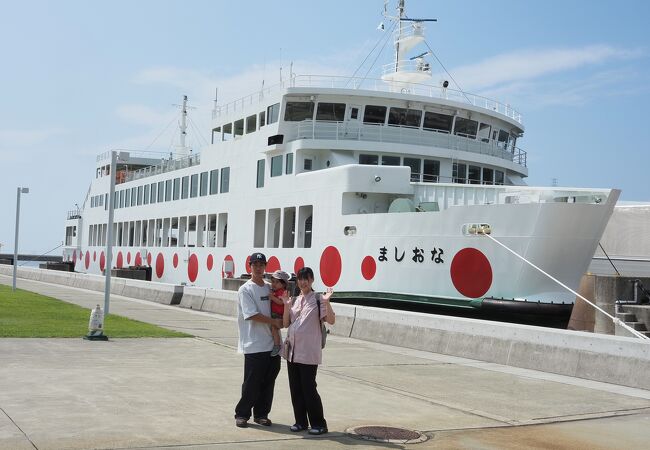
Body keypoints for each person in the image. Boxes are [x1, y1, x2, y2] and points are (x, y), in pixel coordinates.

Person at [282, 267, 335, 435]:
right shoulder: (296, 300)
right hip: (292, 351)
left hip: (308, 353)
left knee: (309, 389)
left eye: (306, 278)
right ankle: (300, 422)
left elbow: (331, 320)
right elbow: (285, 323)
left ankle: (319, 424)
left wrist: (327, 302)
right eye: (300, 279)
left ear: (312, 280)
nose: (303, 282)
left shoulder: (319, 299)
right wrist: (285, 306)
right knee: (295, 388)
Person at [234, 252, 283, 428]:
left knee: (268, 382)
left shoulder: (270, 287)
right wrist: (274, 321)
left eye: (261, 264)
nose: (258, 267)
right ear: (250, 266)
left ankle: (261, 414)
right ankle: (242, 414)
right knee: (252, 383)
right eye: (255, 264)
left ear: (265, 266)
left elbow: (281, 304)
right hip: (254, 344)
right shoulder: (245, 289)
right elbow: (251, 314)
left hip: (273, 344)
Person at [269, 270, 290, 357]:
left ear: (283, 284)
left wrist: (272, 297)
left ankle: (277, 345)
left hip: (279, 315)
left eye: (277, 282)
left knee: (274, 328)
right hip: (274, 314)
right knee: (273, 329)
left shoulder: (282, 292)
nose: (274, 284)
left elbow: (281, 302)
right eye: (273, 282)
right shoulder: (276, 291)